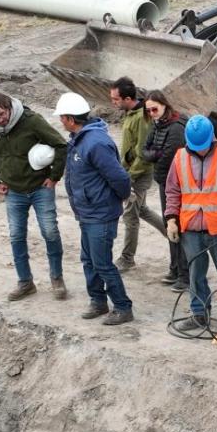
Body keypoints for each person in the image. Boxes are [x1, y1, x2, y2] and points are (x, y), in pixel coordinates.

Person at [0, 91, 69, 302]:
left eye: (3, 114)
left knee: (50, 232)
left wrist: (55, 176)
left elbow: (61, 144)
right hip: (13, 190)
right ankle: (25, 282)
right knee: (17, 236)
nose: (2, 120)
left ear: (9, 106)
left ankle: (57, 278)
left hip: (40, 188)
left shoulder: (31, 120)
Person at [55, 92, 134, 325]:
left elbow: (120, 178)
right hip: (88, 212)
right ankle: (98, 301)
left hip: (100, 214)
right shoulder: (80, 139)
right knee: (88, 259)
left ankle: (122, 306)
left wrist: (114, 201)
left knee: (102, 263)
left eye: (62, 117)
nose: (60, 121)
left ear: (70, 119)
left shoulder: (95, 143)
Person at [164, 115, 217, 328]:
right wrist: (171, 219)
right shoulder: (180, 157)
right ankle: (199, 313)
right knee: (195, 272)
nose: (200, 150)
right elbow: (172, 191)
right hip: (191, 228)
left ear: (212, 139)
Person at [109, 77, 165, 272]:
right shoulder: (132, 113)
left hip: (139, 173)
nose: (113, 103)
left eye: (115, 99)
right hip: (131, 170)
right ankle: (175, 235)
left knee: (130, 215)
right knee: (141, 210)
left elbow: (143, 152)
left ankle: (127, 258)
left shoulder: (141, 117)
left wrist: (129, 177)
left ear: (126, 99)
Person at [138, 91, 189, 289]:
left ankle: (184, 274)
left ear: (164, 105)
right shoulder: (158, 124)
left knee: (179, 228)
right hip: (164, 182)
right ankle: (175, 268)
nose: (151, 113)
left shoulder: (175, 128)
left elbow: (169, 156)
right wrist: (154, 154)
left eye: (154, 109)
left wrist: (154, 154)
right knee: (171, 227)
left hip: (177, 186)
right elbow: (144, 149)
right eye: (148, 110)